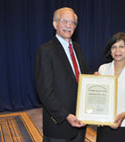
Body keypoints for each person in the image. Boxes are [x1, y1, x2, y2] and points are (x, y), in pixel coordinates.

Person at [34, 7, 88, 142]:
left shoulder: (78, 48)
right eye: (64, 21)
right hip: (59, 123)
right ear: (55, 24)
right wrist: (66, 116)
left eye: (72, 23)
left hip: (80, 121)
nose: (69, 26)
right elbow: (45, 92)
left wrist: (95, 78)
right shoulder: (45, 51)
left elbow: (82, 79)